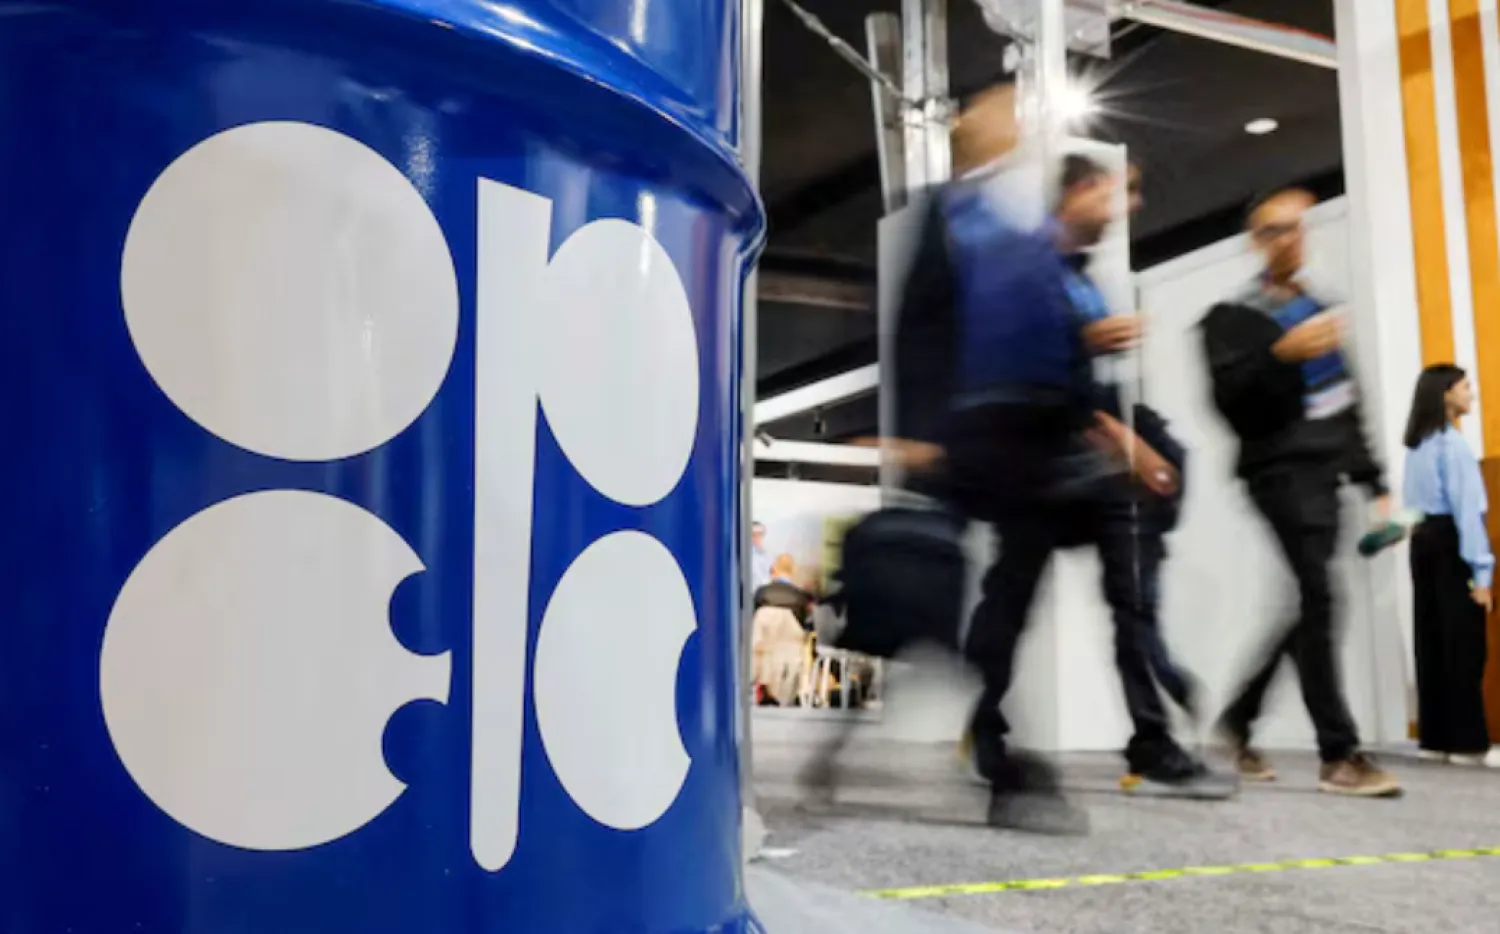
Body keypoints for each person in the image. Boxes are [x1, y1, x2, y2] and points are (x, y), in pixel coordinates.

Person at [881, 78, 1230, 831]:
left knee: (1034, 590)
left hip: (1044, 441)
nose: (1014, 122)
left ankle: (1016, 745)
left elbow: (1049, 351)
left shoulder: (1017, 229)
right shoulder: (954, 215)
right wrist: (914, 432)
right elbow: (920, 328)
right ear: (966, 122)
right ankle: (1004, 747)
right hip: (981, 435)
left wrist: (1111, 435)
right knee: (1002, 594)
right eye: (1000, 108)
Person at [1200, 187, 1400, 797]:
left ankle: (1238, 718)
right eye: (1275, 230)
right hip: (1277, 475)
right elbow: (1230, 403)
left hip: (1327, 474)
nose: (1289, 238)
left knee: (1312, 606)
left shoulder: (1319, 308)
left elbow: (1346, 401)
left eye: (1296, 228)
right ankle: (1338, 754)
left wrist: (1375, 482)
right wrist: (1280, 356)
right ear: (1255, 242)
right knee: (1321, 596)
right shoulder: (1232, 320)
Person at [1070, 156, 1202, 724]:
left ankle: (1154, 730)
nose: (1130, 207)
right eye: (1118, 193)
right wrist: (1124, 440)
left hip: (1112, 471)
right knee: (1013, 595)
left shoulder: (1083, 280)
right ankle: (988, 725)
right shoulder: (1044, 279)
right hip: (1075, 452)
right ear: (1079, 191)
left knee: (1133, 608)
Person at [1401, 364, 1499, 767]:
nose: (1471, 394)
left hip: (1422, 544)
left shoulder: (1417, 446)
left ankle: (1437, 737)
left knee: (1433, 640)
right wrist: (1482, 574)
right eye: (1465, 387)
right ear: (1445, 394)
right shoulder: (1454, 446)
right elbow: (1467, 512)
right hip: (1452, 544)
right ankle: (1469, 742)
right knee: (1464, 644)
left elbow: (1409, 510)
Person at [751, 521, 773, 590]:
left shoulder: (767, 556)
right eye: (753, 535)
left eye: (759, 534)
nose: (757, 537)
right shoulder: (746, 556)